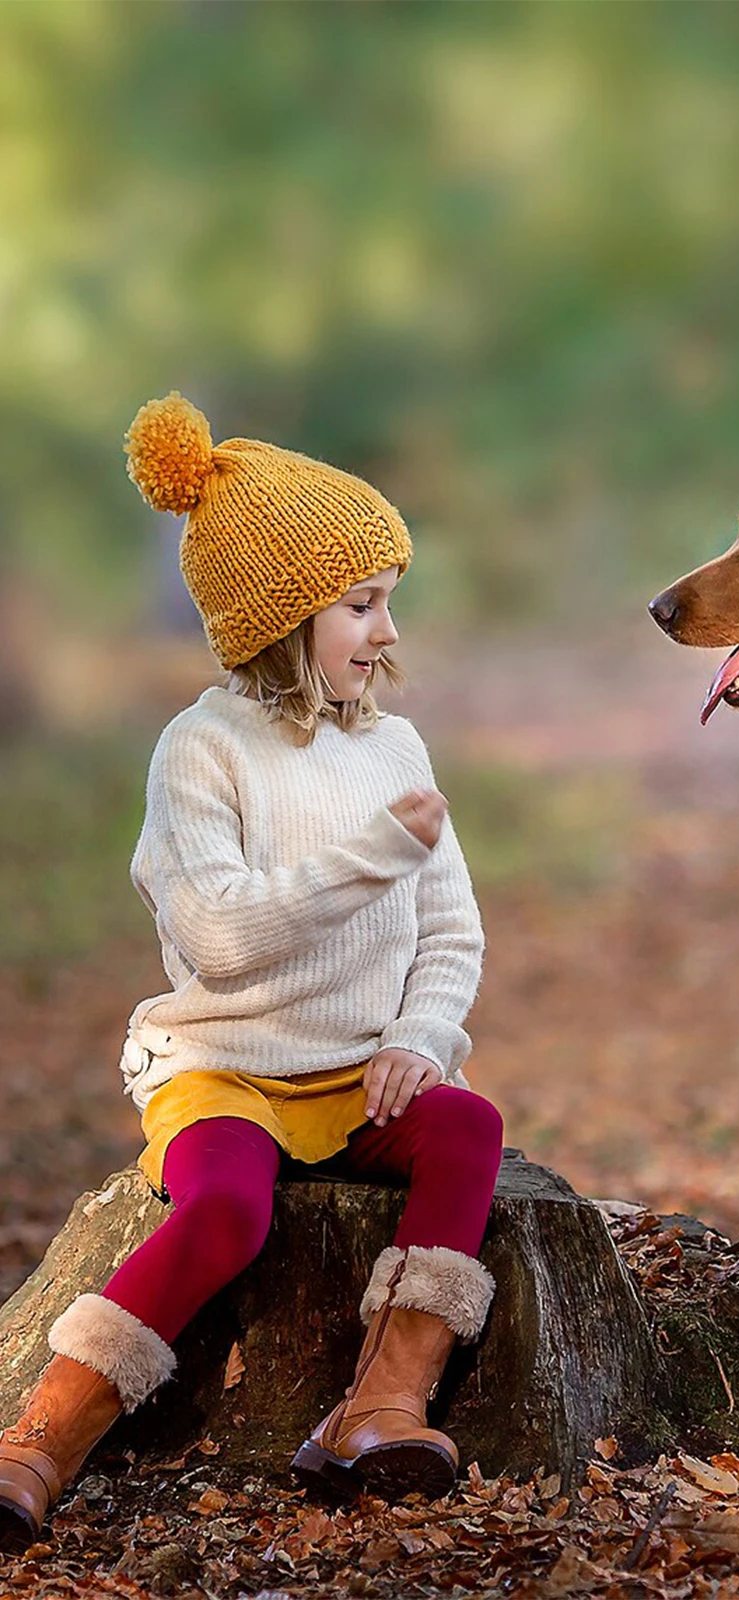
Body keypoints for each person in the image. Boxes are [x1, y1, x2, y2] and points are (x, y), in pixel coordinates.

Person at [0, 394, 504, 1546]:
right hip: (224, 1066)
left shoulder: (395, 746)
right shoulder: (200, 752)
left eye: (390, 603)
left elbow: (451, 929)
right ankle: (43, 1431)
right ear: (282, 619)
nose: (387, 632)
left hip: (354, 1076)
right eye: (362, 605)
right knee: (228, 1209)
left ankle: (381, 1404)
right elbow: (221, 935)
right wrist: (374, 850)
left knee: (470, 1127)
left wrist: (418, 1040)